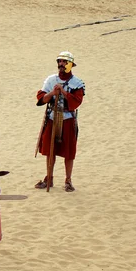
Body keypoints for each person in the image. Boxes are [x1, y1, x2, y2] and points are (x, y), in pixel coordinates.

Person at [35, 51, 85, 192]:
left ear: (70, 64)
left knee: (68, 152)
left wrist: (63, 92)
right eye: (60, 61)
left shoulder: (77, 83)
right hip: (52, 118)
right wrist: (52, 93)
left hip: (68, 119)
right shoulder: (51, 80)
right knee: (50, 150)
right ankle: (49, 177)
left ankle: (68, 180)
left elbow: (76, 102)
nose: (61, 64)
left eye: (64, 62)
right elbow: (41, 99)